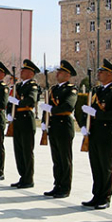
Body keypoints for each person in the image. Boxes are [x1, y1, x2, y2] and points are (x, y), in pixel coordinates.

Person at [79, 59, 112, 209]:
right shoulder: (97, 91)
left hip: (106, 134)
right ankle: (96, 195)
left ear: (110, 75)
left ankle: (105, 197)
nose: (99, 74)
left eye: (102, 72)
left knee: (106, 167)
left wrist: (96, 114)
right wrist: (85, 124)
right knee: (96, 166)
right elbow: (89, 110)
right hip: (94, 133)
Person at [40, 60, 77, 198]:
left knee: (64, 158)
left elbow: (68, 106)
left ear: (67, 75)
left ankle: (65, 187)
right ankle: (57, 184)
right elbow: (47, 107)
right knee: (56, 159)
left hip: (64, 126)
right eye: (58, 71)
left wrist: (52, 110)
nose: (57, 73)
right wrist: (44, 121)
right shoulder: (53, 89)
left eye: (60, 72)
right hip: (53, 126)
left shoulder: (71, 89)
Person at [9, 59, 41, 189]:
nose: (21, 72)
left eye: (24, 70)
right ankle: (22, 176)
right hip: (17, 120)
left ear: (31, 73)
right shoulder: (19, 86)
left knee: (27, 151)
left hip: (26, 119)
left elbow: (31, 100)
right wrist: (9, 112)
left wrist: (18, 103)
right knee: (19, 151)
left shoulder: (32, 86)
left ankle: (28, 179)